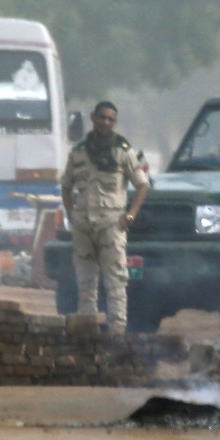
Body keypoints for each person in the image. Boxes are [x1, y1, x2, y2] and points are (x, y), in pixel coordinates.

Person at [60, 101, 150, 335]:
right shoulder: (78, 152)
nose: (105, 123)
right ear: (93, 118)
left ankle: (117, 332)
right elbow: (66, 186)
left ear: (115, 122)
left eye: (110, 119)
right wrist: (71, 215)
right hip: (83, 224)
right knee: (85, 282)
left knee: (116, 281)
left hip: (112, 223)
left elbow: (142, 184)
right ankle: (86, 331)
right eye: (102, 117)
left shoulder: (122, 151)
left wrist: (130, 215)